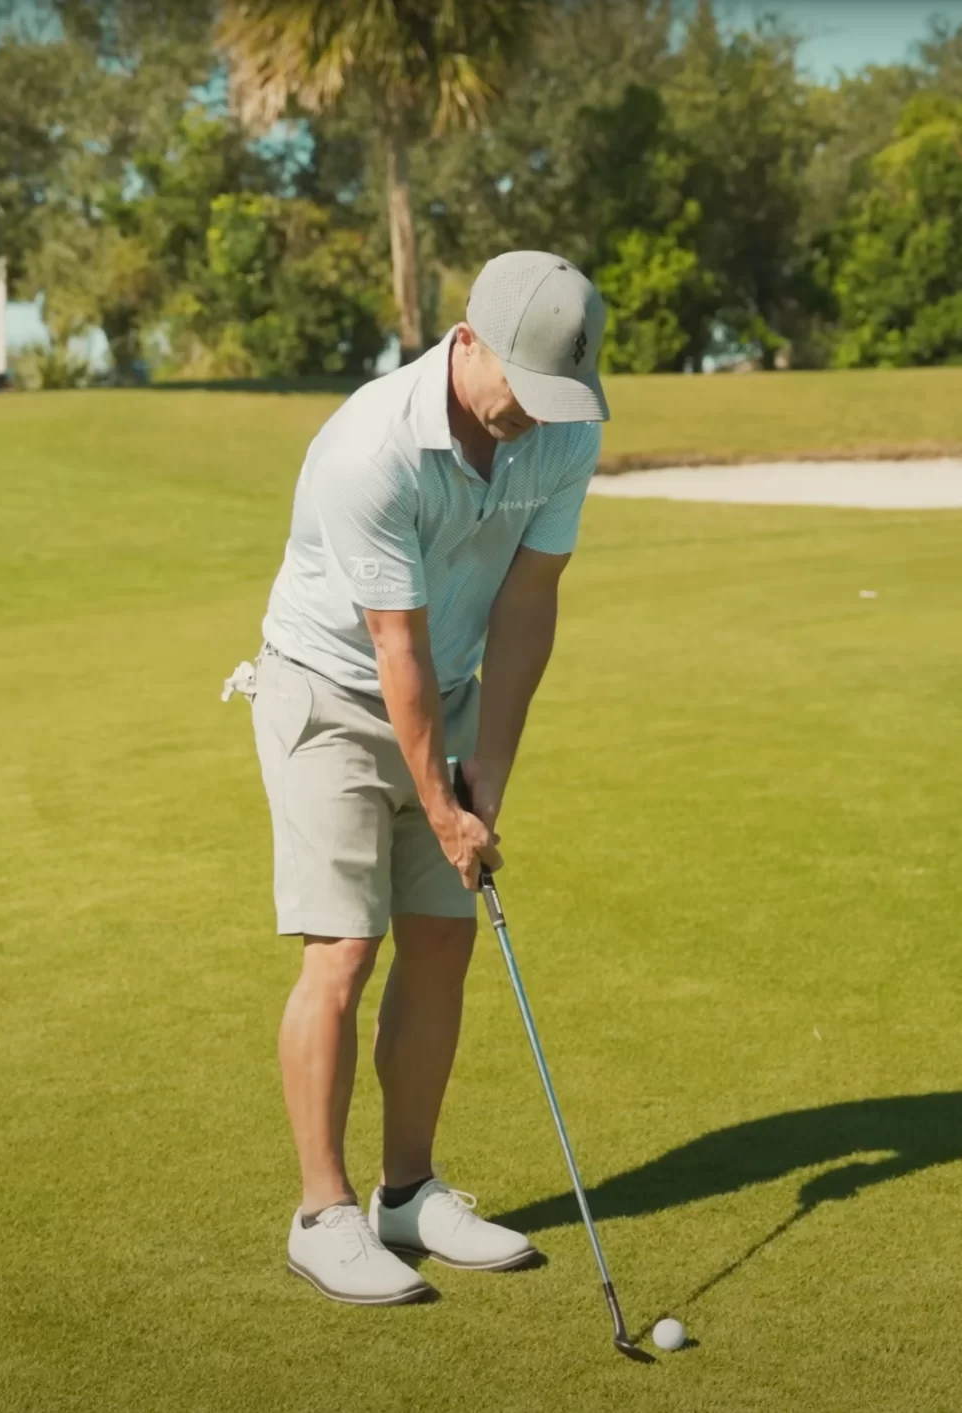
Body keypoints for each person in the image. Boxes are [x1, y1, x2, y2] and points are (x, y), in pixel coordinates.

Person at [232, 251, 609, 1306]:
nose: (536, 416)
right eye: (523, 390)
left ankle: (409, 1191)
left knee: (443, 942)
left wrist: (487, 770)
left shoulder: (566, 429)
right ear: (469, 340)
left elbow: (528, 604)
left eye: (558, 396)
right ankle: (323, 1213)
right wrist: (440, 808)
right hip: (329, 692)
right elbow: (391, 645)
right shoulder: (371, 449)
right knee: (343, 951)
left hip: (443, 688)